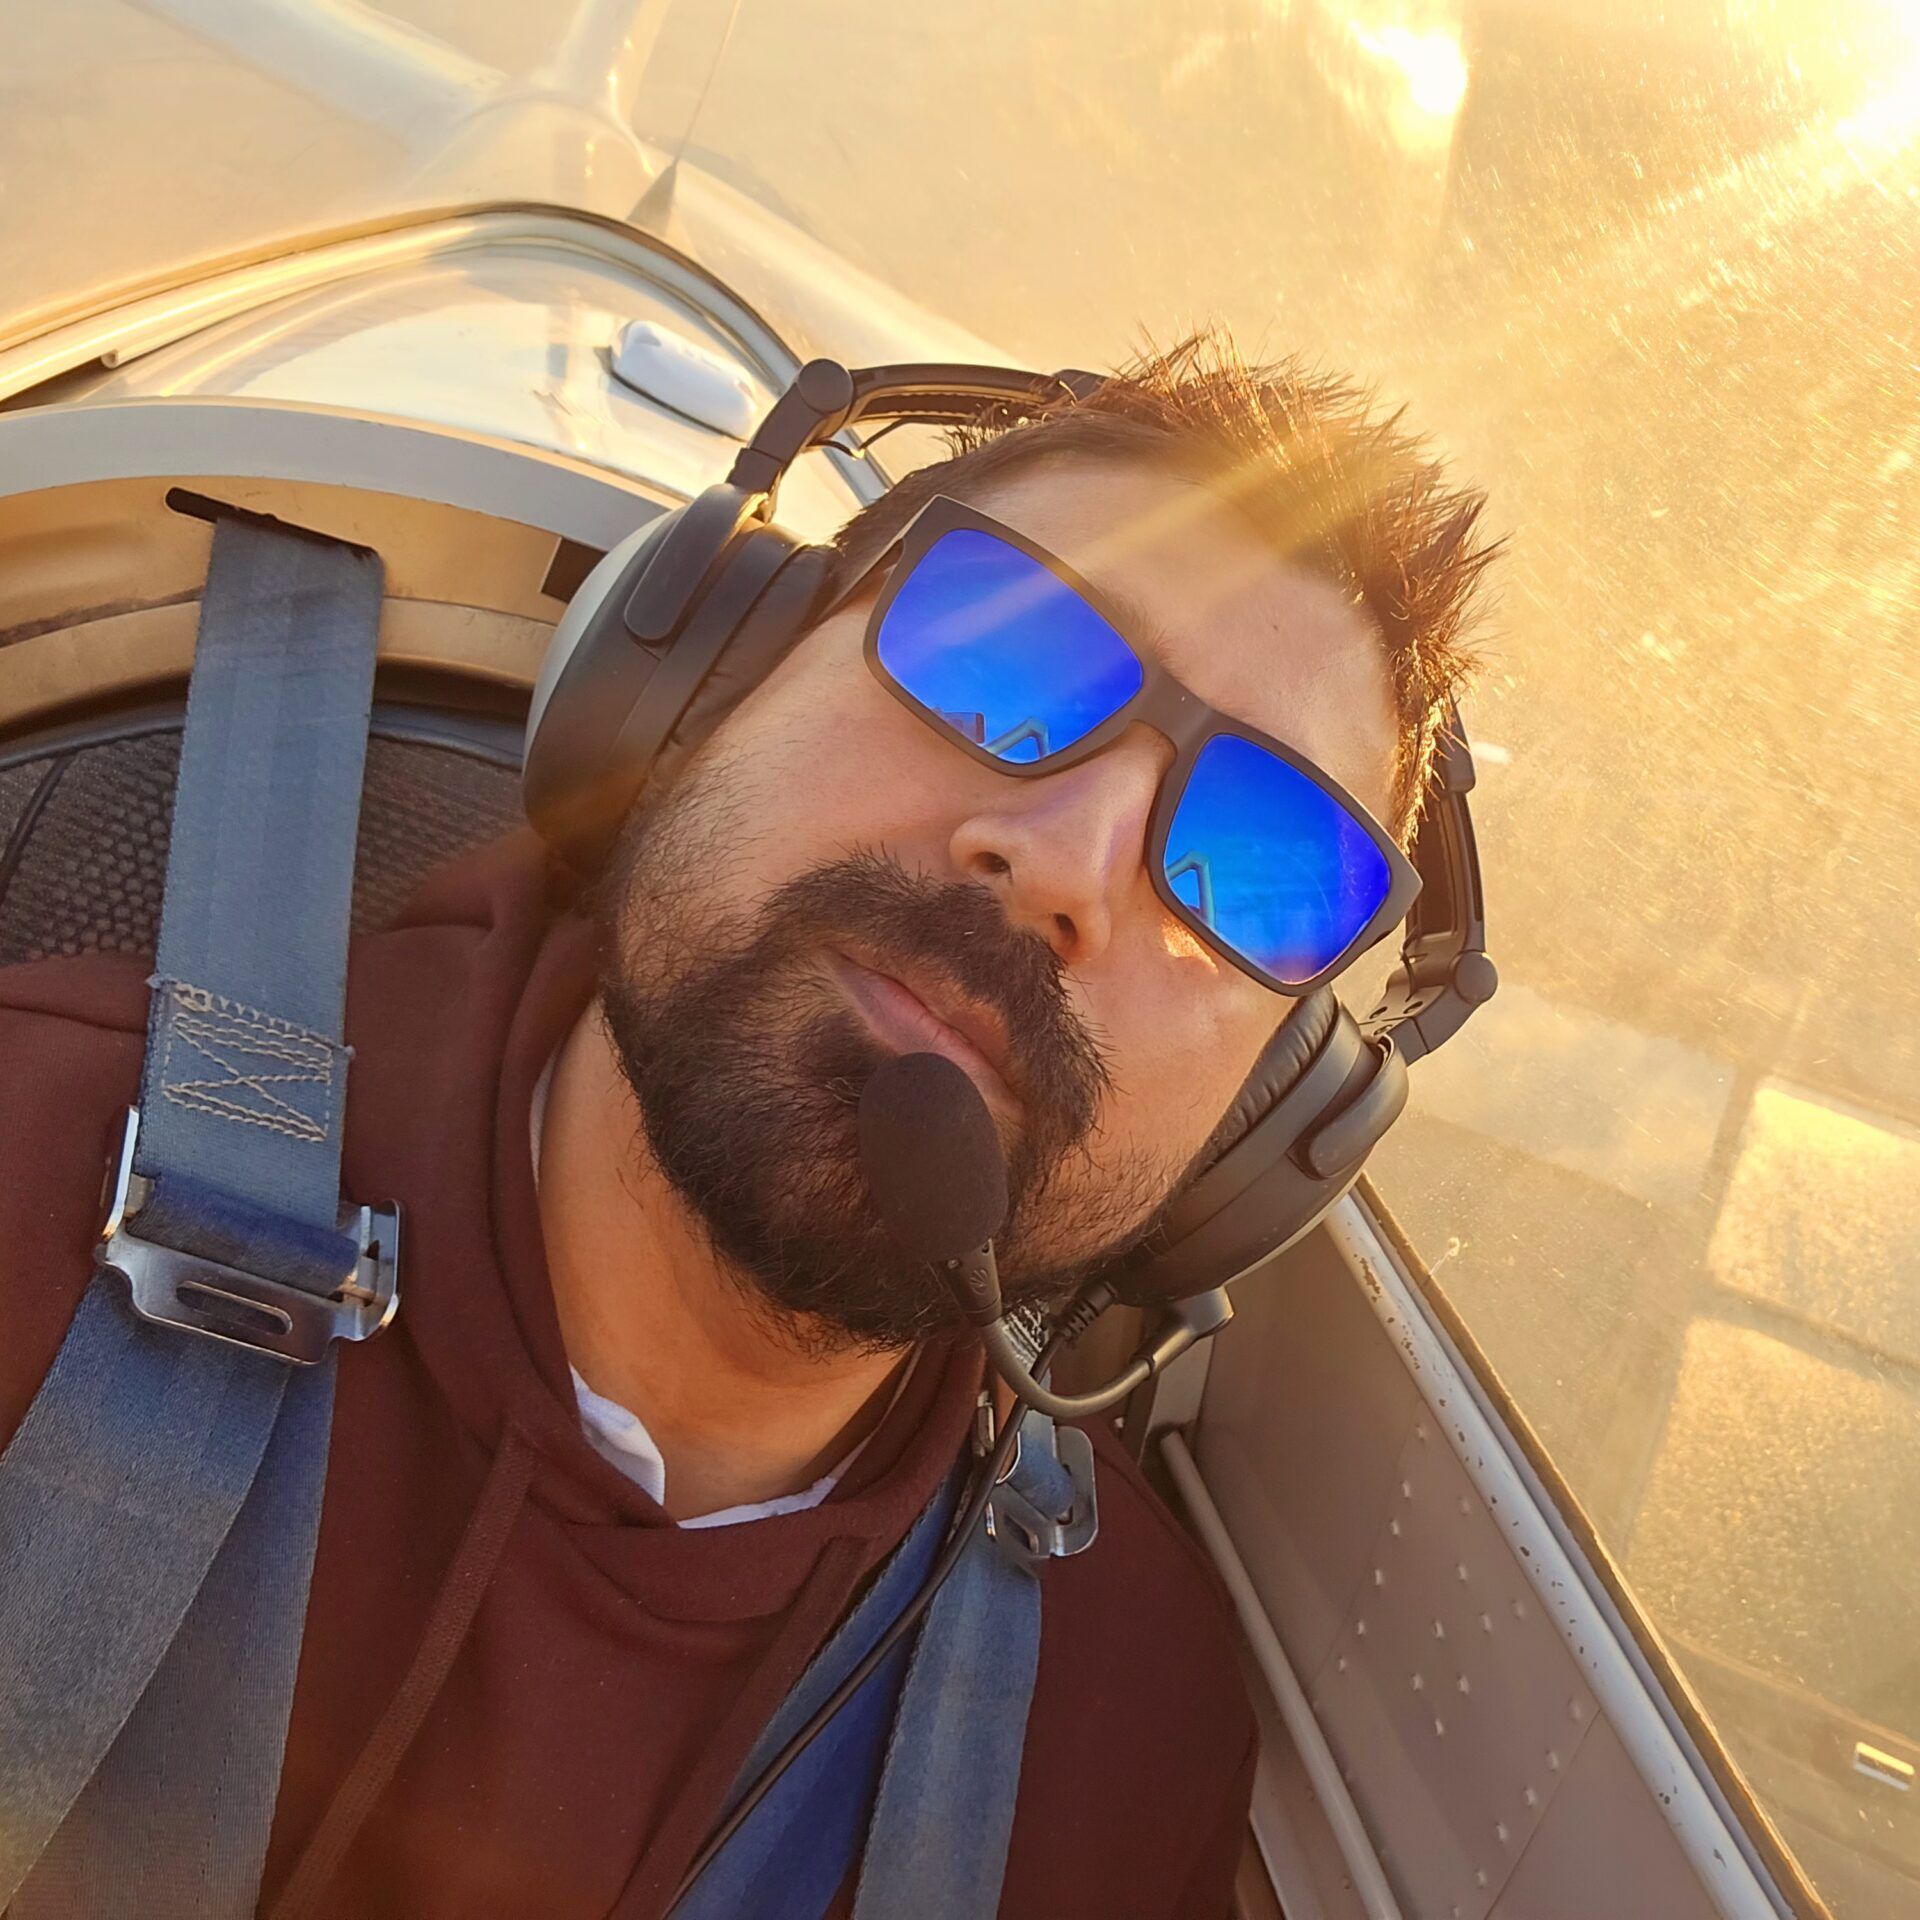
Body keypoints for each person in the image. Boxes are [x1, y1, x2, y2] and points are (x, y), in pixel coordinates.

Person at [0, 329, 1495, 1917]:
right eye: (1000, 651)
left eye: (1263, 868)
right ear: (720, 672)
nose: (1063, 859)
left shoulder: (1116, 1746)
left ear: (1263, 1122)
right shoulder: (28, 1164)